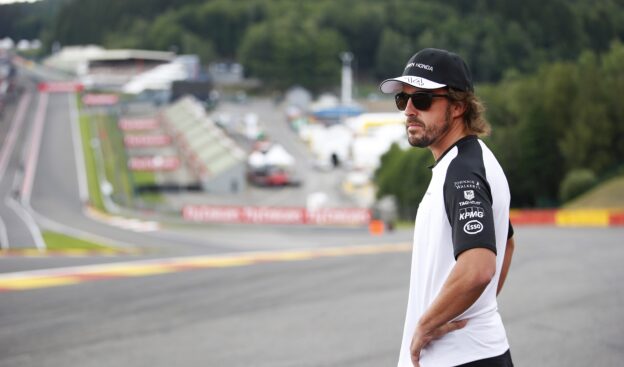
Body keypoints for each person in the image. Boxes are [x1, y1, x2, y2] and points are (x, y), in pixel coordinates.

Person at [379, 48, 516, 367]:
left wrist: (426, 326)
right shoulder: (473, 161)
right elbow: (506, 243)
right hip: (472, 353)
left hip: (459, 358)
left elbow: (479, 267)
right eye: (403, 99)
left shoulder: (462, 171)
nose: (409, 110)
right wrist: (475, 307)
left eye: (423, 100)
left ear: (457, 107)